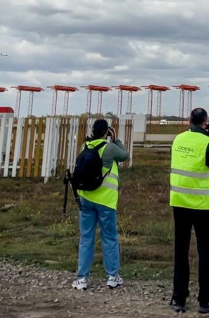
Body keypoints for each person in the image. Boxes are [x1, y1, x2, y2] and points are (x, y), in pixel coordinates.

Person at [169, 108, 209, 313]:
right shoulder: (208, 143)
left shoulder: (178, 140)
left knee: (181, 250)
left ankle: (178, 298)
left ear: (189, 120)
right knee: (205, 251)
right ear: (205, 123)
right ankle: (206, 299)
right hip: (201, 204)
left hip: (179, 202)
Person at [72, 118, 130, 291]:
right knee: (110, 237)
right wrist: (116, 138)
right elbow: (124, 155)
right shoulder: (109, 147)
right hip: (105, 200)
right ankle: (112, 276)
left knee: (86, 238)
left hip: (86, 198)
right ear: (106, 132)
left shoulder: (85, 147)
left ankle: (82, 278)